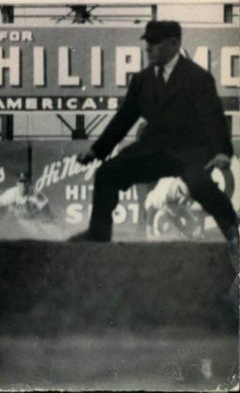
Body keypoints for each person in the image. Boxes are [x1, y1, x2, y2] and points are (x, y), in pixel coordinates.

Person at [69, 21, 238, 267]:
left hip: (191, 151)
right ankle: (98, 237)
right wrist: (98, 149)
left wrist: (222, 151)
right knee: (107, 174)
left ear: (174, 43)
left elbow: (213, 118)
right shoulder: (142, 80)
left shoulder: (197, 78)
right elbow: (124, 118)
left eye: (155, 43)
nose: (148, 48)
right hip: (154, 150)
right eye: (147, 42)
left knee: (200, 184)